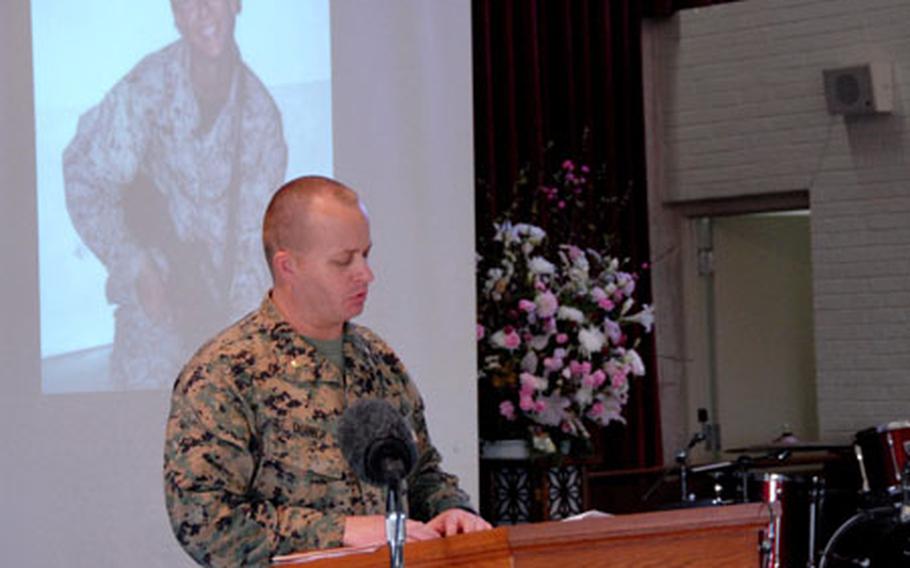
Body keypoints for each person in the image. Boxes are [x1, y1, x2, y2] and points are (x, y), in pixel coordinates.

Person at [163, 176, 490, 567]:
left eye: (366, 255)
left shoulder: (377, 359)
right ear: (288, 266)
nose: (366, 274)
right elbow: (205, 522)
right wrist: (342, 532)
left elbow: (420, 474)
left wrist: (453, 511)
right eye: (343, 260)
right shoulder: (225, 372)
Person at [63, 0, 287, 389]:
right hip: (157, 305)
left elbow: (257, 246)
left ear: (235, 4)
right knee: (139, 413)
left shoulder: (259, 116)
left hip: (224, 309)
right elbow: (85, 177)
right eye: (187, 3)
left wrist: (244, 342)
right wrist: (135, 263)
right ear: (176, 16)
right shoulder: (147, 89)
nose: (202, 11)